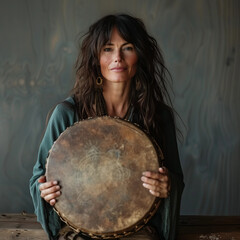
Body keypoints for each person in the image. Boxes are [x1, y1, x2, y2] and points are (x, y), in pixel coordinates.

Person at [29, 14, 184, 240]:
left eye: (127, 48)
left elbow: (176, 179)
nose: (117, 58)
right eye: (108, 49)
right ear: (96, 57)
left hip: (141, 232)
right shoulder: (68, 114)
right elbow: (38, 179)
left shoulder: (159, 117)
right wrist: (45, 191)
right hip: (77, 232)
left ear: (139, 55)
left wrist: (167, 186)